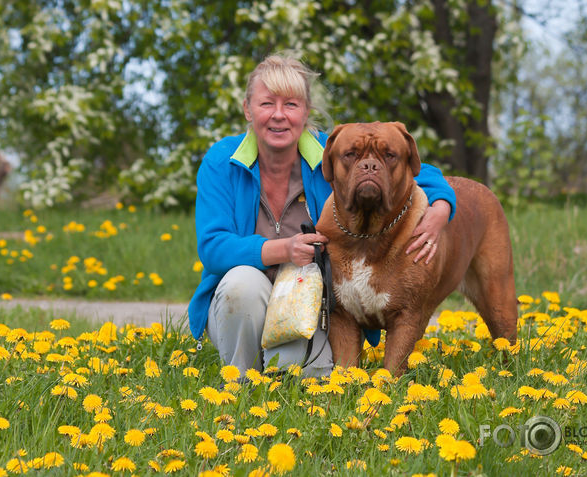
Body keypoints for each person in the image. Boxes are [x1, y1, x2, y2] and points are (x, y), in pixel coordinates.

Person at [188, 54, 456, 377]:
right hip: (243, 306)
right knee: (240, 286)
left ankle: (276, 382)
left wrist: (441, 206)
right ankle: (240, 385)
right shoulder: (221, 161)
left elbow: (409, 167)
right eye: (266, 104)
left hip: (307, 303)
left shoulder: (331, 151)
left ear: (306, 112)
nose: (278, 115)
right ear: (247, 109)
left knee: (309, 376)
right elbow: (214, 247)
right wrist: (283, 250)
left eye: (291, 104)